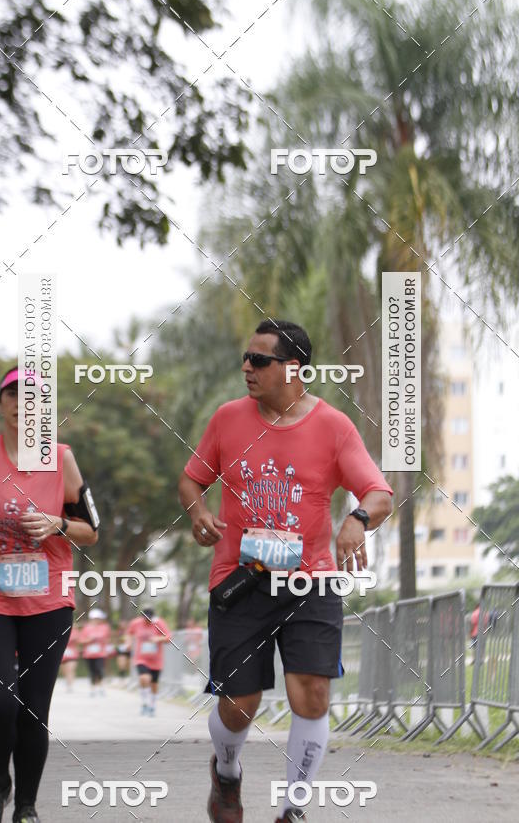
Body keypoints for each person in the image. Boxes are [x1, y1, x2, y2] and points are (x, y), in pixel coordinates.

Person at [178, 320, 393, 823]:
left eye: (260, 360)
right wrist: (198, 512)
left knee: (311, 693)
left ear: (293, 368)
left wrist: (357, 520)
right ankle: (226, 773)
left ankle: (293, 808)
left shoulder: (334, 427)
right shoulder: (228, 420)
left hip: (310, 580)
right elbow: (191, 481)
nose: (247, 368)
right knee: (239, 703)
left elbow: (379, 494)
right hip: (240, 579)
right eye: (245, 359)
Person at [0, 366, 99, 823]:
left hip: (48, 601)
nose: (22, 402)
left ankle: (26, 805)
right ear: (2, 403)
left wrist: (58, 524)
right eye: (13, 393)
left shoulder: (62, 458)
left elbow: (92, 531)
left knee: (32, 708)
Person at [126, 606, 171, 716]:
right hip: (141, 658)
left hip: (156, 659)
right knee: (144, 678)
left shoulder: (159, 623)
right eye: (145, 618)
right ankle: (144, 703)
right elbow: (129, 633)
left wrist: (158, 639)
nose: (148, 620)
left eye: (150, 618)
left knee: (154, 684)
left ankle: (152, 705)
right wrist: (128, 643)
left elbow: (168, 637)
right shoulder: (136, 623)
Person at [79, 609, 111, 696]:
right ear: (92, 618)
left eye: (99, 618)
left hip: (101, 653)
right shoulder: (86, 628)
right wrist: (89, 640)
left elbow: (108, 638)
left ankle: (100, 687)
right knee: (92, 671)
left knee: (99, 670)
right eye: (96, 618)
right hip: (89, 654)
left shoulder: (105, 627)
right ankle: (93, 688)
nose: (97, 620)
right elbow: (81, 641)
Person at [60, 620, 81, 691]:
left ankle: (70, 684)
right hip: (63, 653)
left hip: (72, 653)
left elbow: (79, 640)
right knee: (64, 670)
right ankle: (67, 681)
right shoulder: (61, 629)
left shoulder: (75, 631)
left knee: (70, 669)